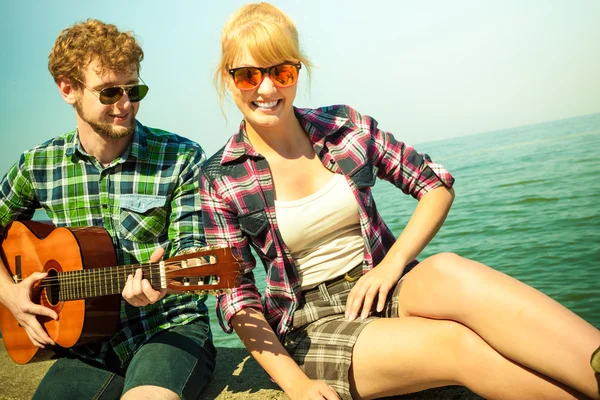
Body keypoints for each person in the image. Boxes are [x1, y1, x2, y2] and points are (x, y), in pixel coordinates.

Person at [199, 3, 600, 400]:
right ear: (228, 80)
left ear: (297, 72)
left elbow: (435, 185)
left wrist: (391, 266)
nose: (267, 89)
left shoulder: (341, 126)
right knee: (455, 345)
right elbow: (237, 298)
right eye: (249, 75)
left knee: (451, 269)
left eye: (281, 71)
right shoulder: (219, 178)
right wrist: (296, 384)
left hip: (384, 280)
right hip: (309, 320)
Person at [0, 19, 216, 400]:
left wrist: (160, 286)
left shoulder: (181, 156)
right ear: (68, 89)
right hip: (82, 345)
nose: (125, 104)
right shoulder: (38, 164)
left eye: (134, 90)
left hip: (167, 328)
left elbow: (192, 253)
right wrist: (11, 295)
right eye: (109, 92)